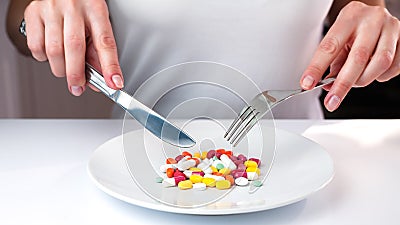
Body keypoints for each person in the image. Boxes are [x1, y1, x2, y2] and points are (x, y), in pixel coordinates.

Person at [6, 0, 400, 119]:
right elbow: (16, 20)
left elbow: (362, 10)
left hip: (299, 167)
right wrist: (41, 16)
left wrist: (378, 37)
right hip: (136, 171)